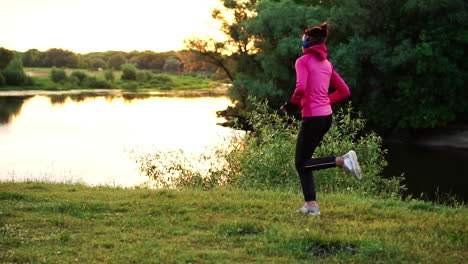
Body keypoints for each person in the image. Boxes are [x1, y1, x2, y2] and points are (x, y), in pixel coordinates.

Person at [280, 22, 362, 216]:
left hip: (313, 118)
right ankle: (311, 205)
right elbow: (344, 91)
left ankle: (343, 161)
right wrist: (325, 100)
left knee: (301, 163)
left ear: (307, 42)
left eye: (303, 40)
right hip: (326, 117)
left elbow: (300, 87)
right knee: (305, 161)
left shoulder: (303, 61)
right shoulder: (327, 64)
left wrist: (292, 105)